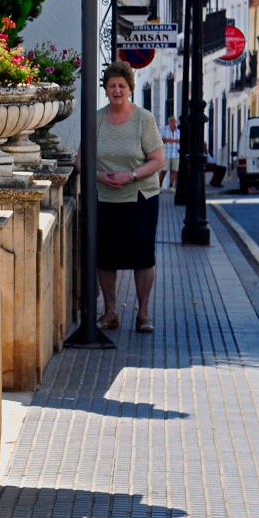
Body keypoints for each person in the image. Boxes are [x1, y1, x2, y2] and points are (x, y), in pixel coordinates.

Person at [93, 62, 166, 332]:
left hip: (140, 197)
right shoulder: (97, 120)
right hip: (105, 198)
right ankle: (110, 312)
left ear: (130, 88)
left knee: (142, 256)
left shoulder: (143, 119)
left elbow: (158, 159)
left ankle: (143, 314)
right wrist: (100, 176)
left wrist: (131, 175)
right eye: (112, 85)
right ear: (105, 89)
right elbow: (81, 161)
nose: (116, 90)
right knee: (105, 257)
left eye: (121, 86)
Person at [159, 116, 181, 190]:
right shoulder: (163, 129)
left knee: (174, 170)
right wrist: (168, 140)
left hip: (175, 153)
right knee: (164, 170)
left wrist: (177, 141)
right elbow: (159, 140)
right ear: (168, 122)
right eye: (171, 121)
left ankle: (171, 186)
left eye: (174, 121)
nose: (172, 123)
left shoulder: (178, 131)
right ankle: (159, 186)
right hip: (166, 153)